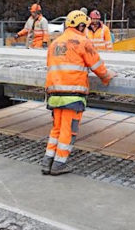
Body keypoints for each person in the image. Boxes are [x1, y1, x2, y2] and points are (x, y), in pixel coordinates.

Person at [42, 10, 116, 175]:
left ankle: (47, 162)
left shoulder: (55, 43)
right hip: (72, 94)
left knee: (56, 129)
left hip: (54, 95)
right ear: (81, 25)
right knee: (68, 131)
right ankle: (59, 165)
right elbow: (97, 66)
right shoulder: (82, 42)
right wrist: (107, 77)